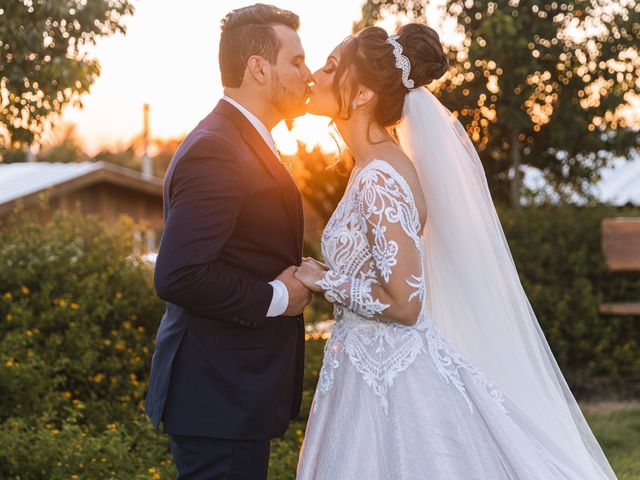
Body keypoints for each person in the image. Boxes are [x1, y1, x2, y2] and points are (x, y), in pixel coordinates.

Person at [294, 24, 617, 479]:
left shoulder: (378, 177)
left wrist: (323, 279)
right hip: (366, 366)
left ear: (362, 93)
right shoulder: (372, 166)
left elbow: (405, 305)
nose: (316, 76)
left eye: (330, 68)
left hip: (389, 380)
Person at [144, 4, 313, 479]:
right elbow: (179, 274)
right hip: (217, 398)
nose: (308, 73)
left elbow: (242, 249)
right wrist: (280, 297)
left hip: (233, 396)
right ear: (258, 68)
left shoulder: (245, 140)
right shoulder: (218, 148)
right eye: (296, 61)